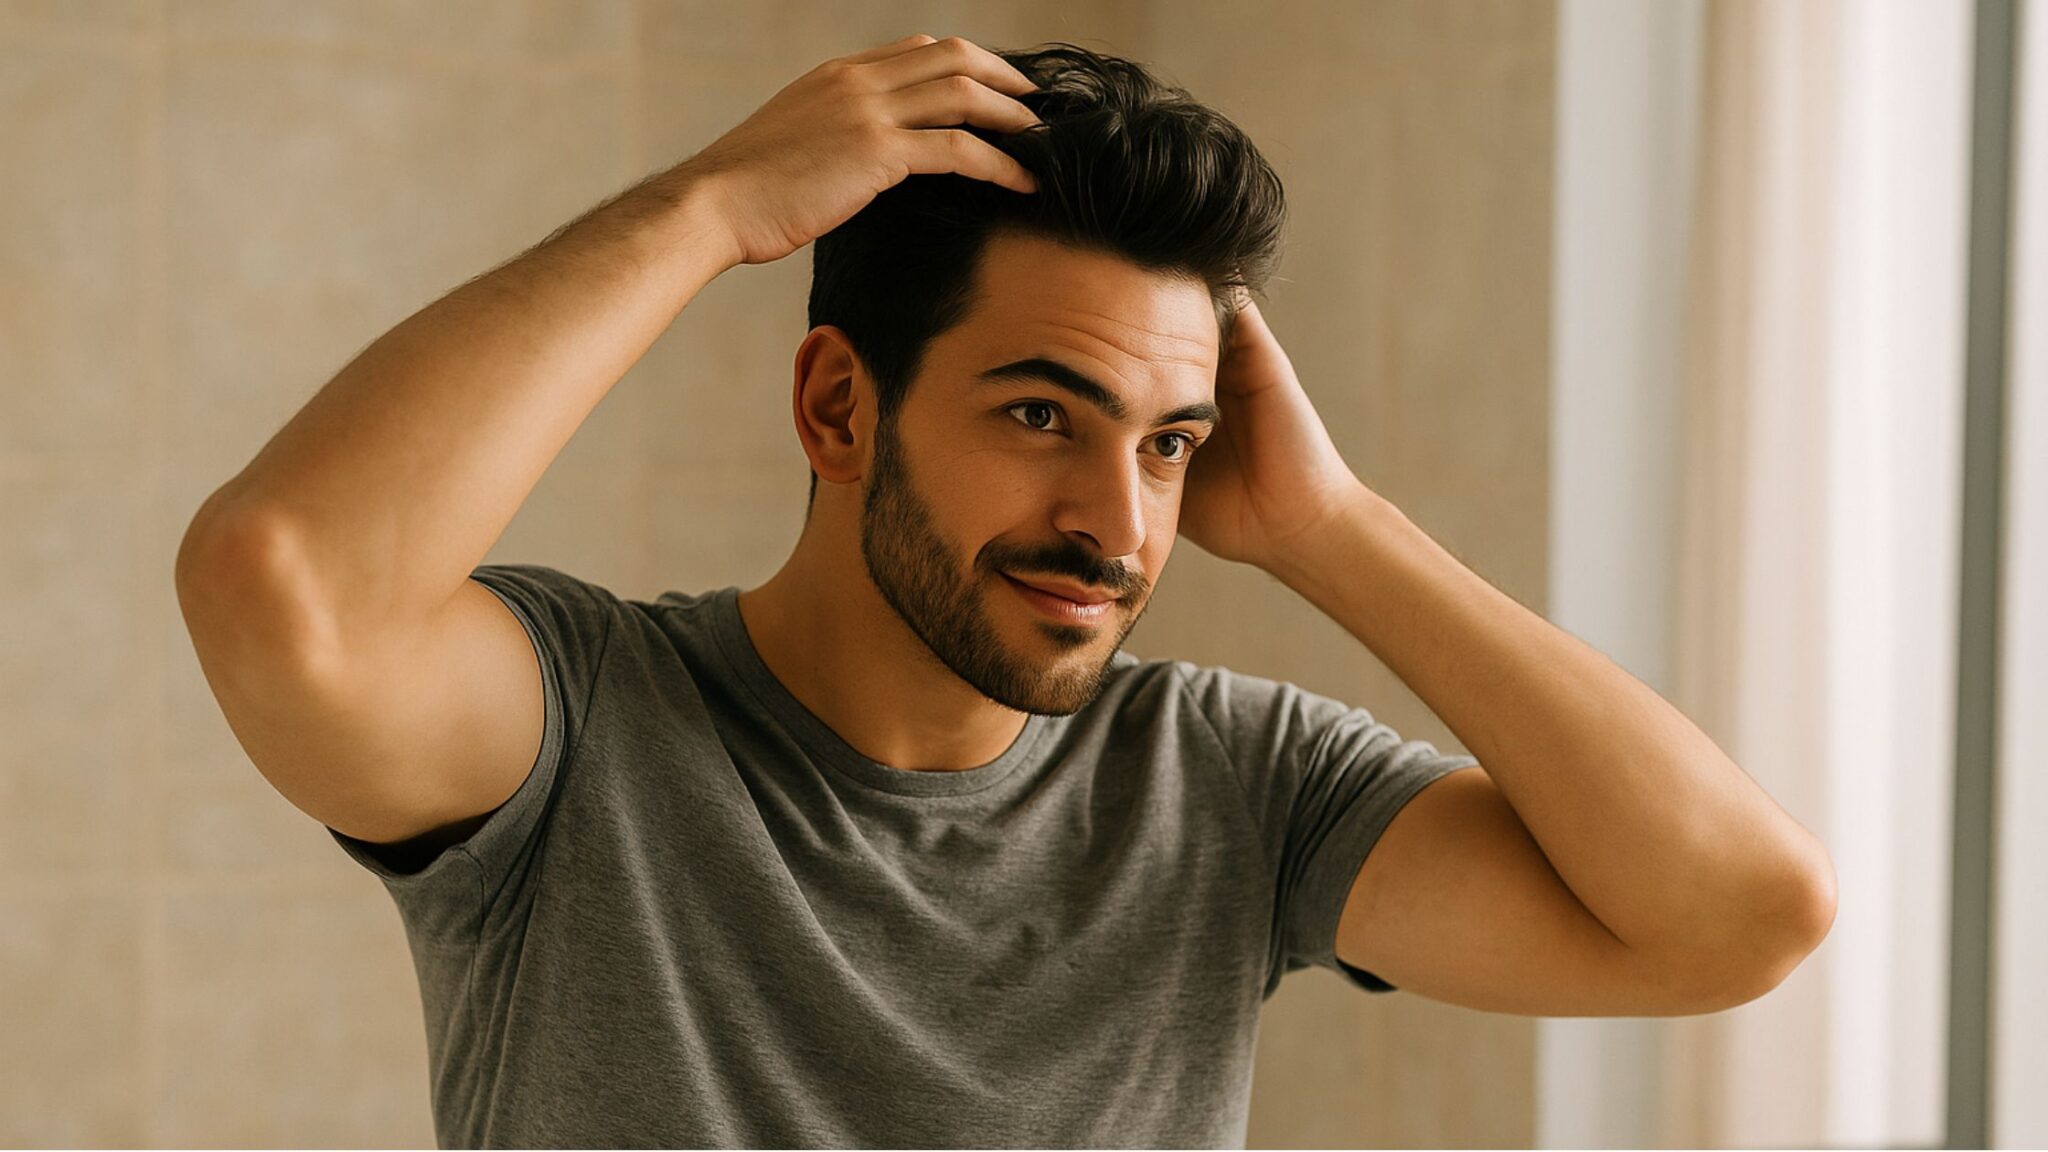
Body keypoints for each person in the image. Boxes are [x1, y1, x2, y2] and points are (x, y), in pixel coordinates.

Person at [174, 34, 1837, 1148]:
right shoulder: (576, 734)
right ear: (840, 407)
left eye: (1169, 444)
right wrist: (713, 205)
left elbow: (1741, 917)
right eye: (1043, 416)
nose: (1117, 524)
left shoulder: (1224, 785)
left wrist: (1330, 524)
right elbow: (285, 584)